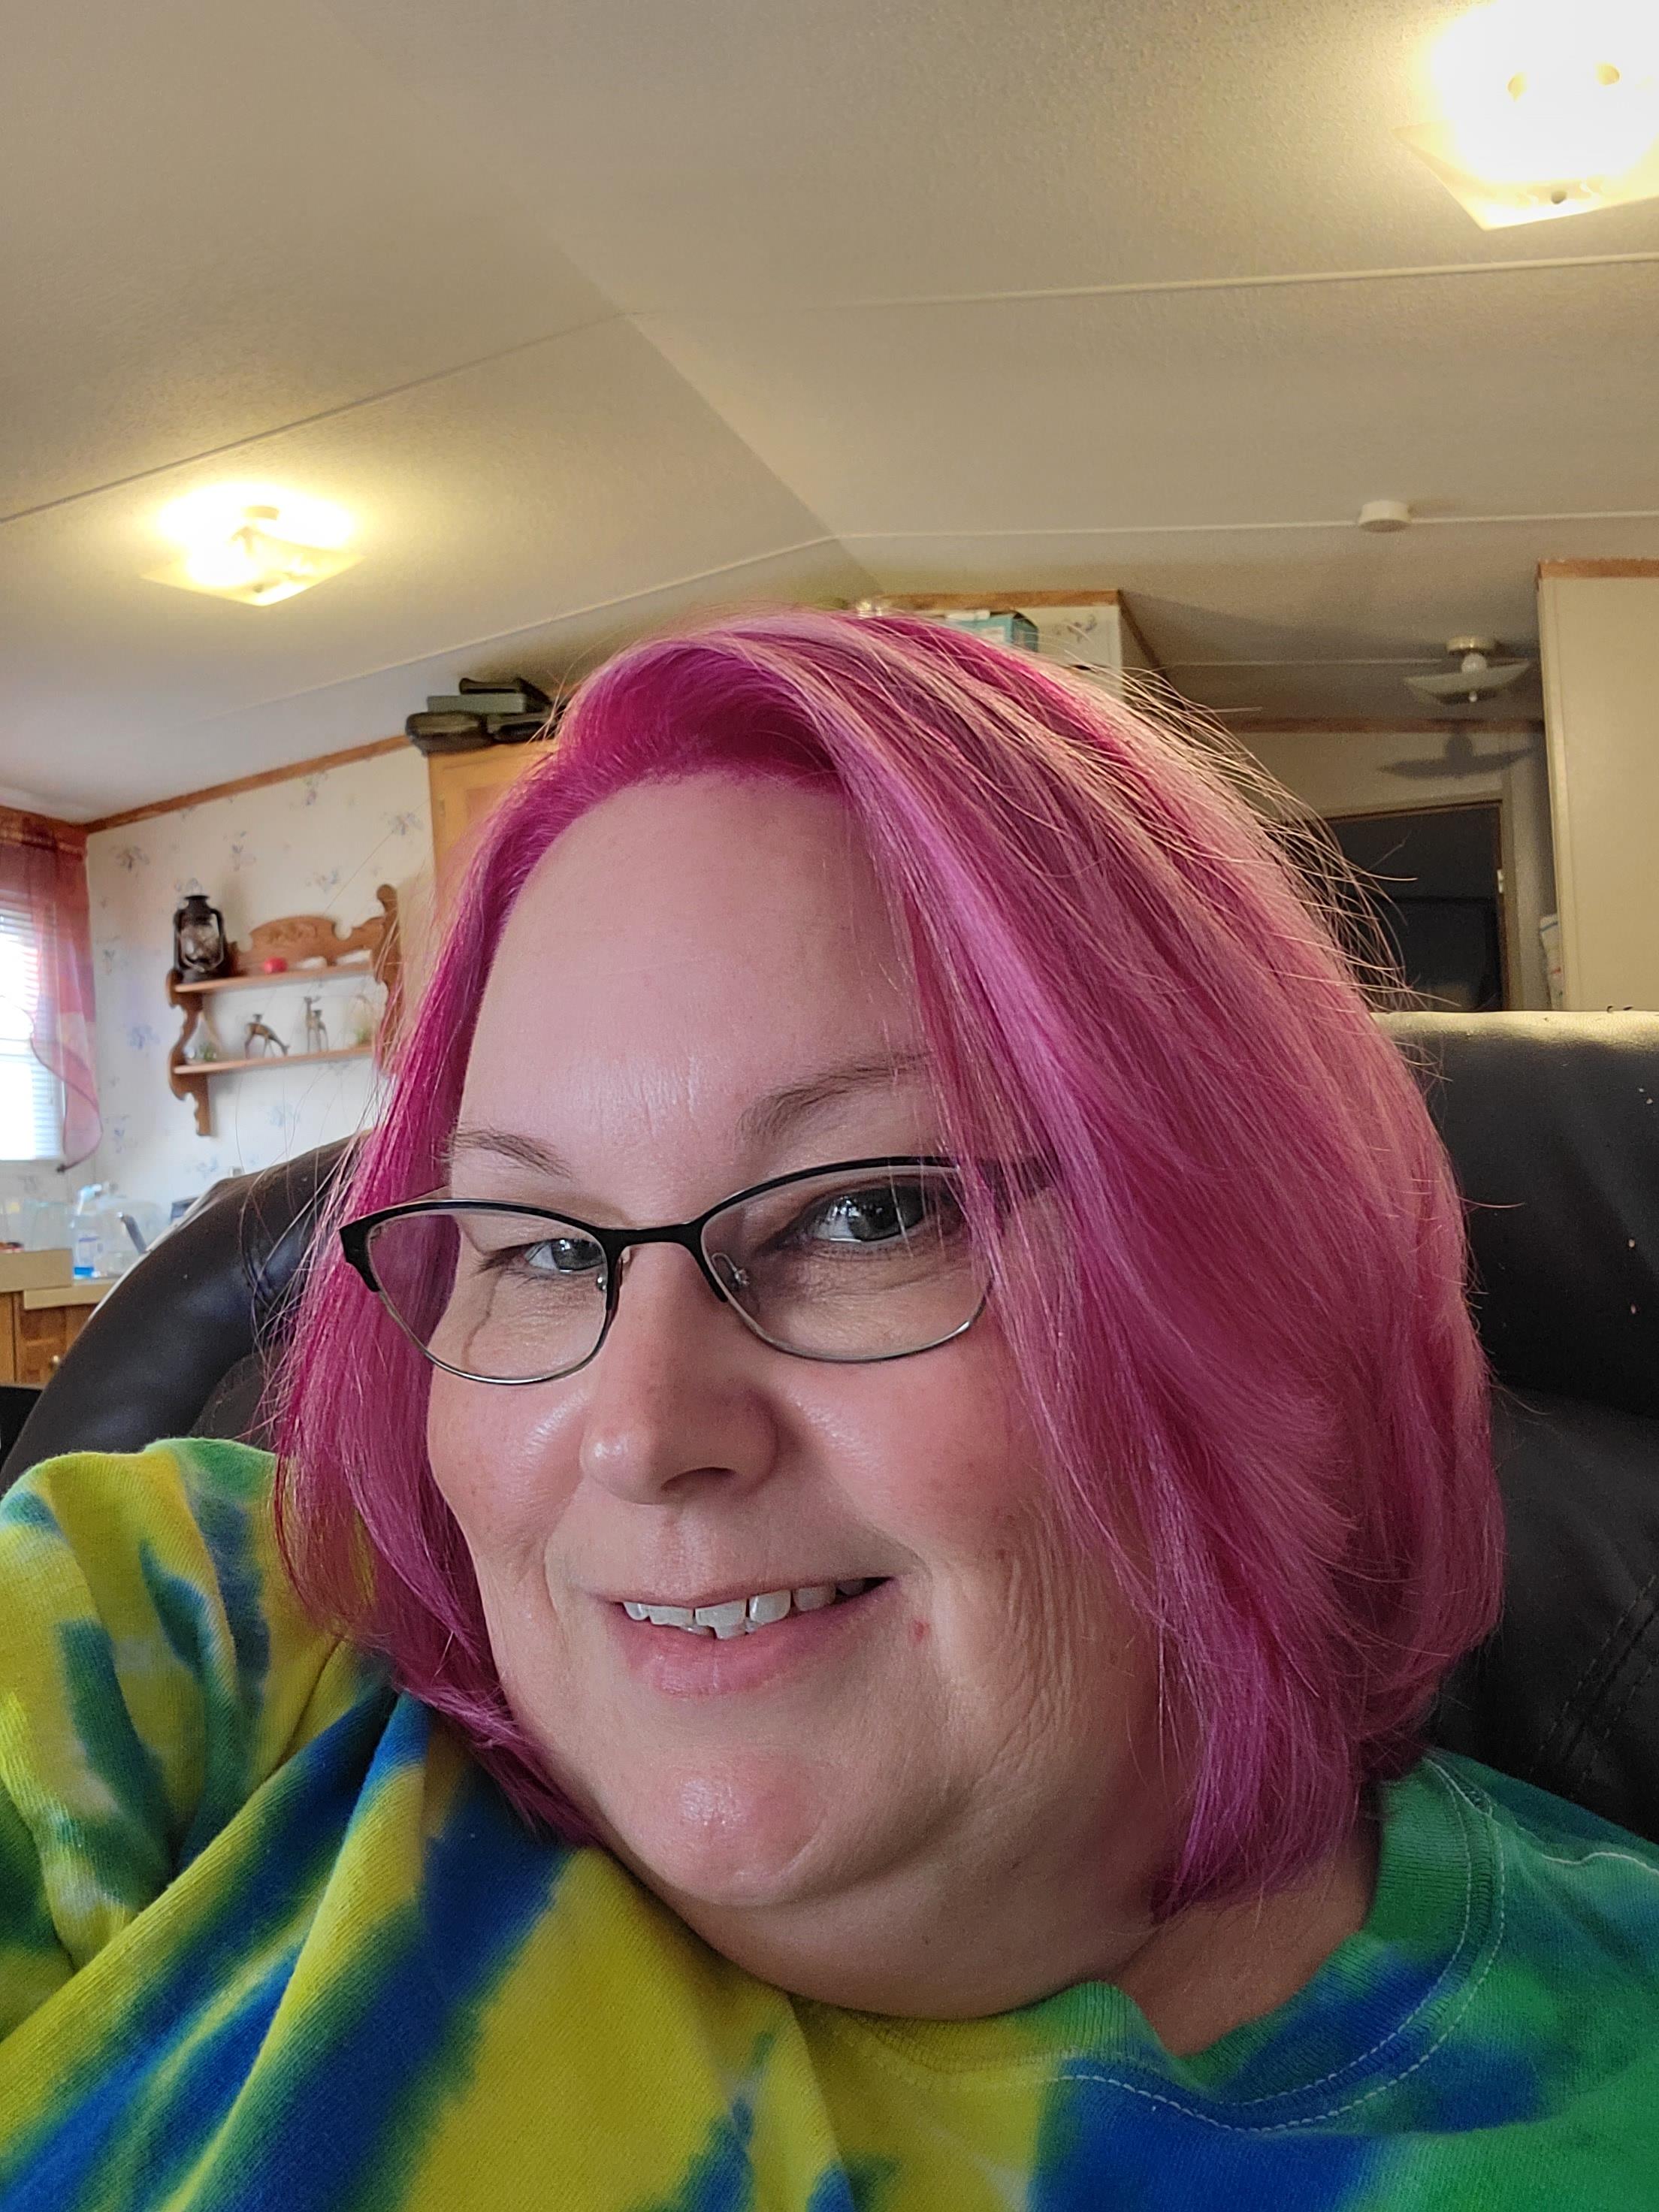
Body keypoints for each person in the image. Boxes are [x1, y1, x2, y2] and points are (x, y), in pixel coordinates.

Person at [2, 609, 1655, 2210]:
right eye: (544, 1247)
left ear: (1267, 1283)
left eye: (869, 1213)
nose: (641, 1433)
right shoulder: (182, 1651)